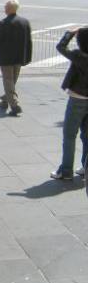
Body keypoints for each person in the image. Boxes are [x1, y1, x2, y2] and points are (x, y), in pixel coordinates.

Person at [50, 26, 88, 180]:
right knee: (86, 135)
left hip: (77, 98)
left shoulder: (79, 56)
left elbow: (60, 47)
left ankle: (66, 171)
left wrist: (70, 34)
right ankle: (85, 168)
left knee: (69, 135)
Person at [0, 0, 32, 116]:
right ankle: (5, 100)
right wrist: (28, 56)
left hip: (6, 58)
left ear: (9, 9)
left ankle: (15, 105)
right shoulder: (25, 22)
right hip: (19, 57)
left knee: (8, 81)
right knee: (12, 81)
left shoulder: (3, 23)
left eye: (5, 6)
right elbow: (29, 41)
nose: (4, 8)